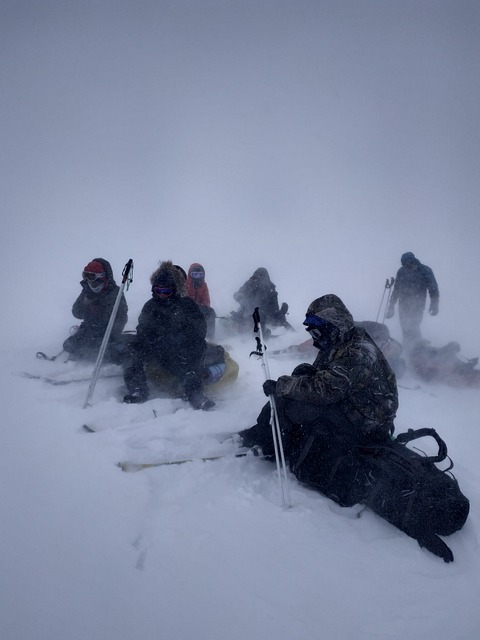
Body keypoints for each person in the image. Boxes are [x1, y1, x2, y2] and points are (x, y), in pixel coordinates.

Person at [237, 294, 469, 561]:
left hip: (367, 422)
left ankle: (265, 442)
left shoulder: (357, 350)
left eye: (317, 330)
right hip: (355, 408)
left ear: (333, 325)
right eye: (311, 331)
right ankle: (275, 439)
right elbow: (325, 377)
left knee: (291, 403)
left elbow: (325, 390)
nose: (314, 338)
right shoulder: (340, 342)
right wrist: (302, 375)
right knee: (297, 393)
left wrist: (284, 386)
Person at [122, 260, 215, 410]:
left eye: (166, 291)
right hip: (156, 348)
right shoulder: (150, 306)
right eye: (159, 291)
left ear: (175, 289)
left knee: (192, 357)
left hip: (178, 350)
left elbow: (199, 331)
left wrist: (180, 339)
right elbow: (142, 329)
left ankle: (195, 394)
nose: (162, 295)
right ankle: (138, 389)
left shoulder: (187, 305)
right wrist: (150, 339)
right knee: (131, 350)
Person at [62, 258, 128, 361]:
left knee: (112, 351)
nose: (90, 283)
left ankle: (103, 358)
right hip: (89, 330)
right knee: (68, 344)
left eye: (92, 278)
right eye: (86, 276)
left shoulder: (115, 293)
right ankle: (75, 358)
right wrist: (85, 303)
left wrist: (112, 334)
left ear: (102, 278)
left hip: (107, 333)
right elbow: (76, 313)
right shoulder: (87, 291)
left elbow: (122, 317)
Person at [386, 252, 439, 353]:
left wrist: (434, 304)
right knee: (405, 329)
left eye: (407, 265)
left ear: (413, 262)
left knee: (413, 327)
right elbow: (396, 289)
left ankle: (417, 351)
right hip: (403, 305)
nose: (406, 267)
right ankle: (408, 352)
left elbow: (433, 289)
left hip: (417, 304)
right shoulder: (402, 271)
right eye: (404, 265)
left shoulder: (425, 271)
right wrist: (391, 306)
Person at [230, 267, 290, 331]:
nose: (260, 281)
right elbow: (239, 293)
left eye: (263, 278)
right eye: (258, 278)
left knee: (278, 319)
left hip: (265, 315)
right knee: (255, 317)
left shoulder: (270, 289)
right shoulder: (250, 283)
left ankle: (293, 334)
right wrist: (240, 297)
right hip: (247, 313)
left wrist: (280, 314)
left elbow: (274, 307)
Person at [185, 263, 216, 339]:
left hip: (199, 309)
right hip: (186, 310)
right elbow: (183, 300)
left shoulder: (203, 285)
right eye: (195, 274)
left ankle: (209, 336)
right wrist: (193, 307)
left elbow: (206, 301)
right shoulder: (185, 284)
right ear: (190, 275)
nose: (197, 277)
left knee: (211, 312)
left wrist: (202, 308)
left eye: (200, 275)